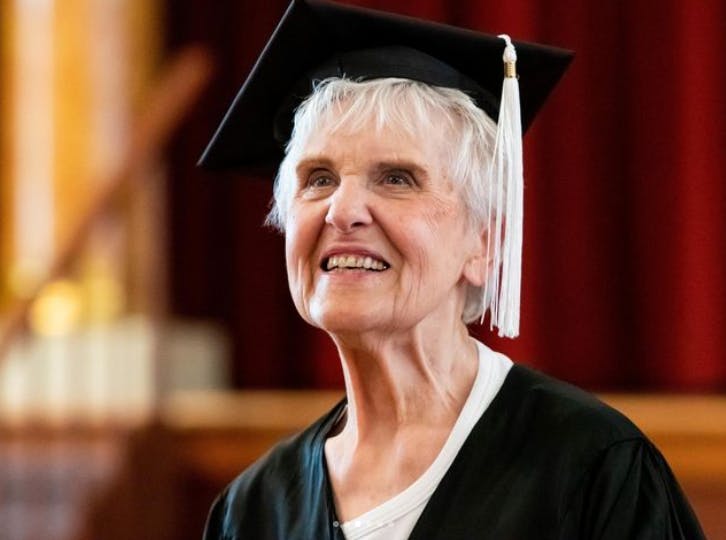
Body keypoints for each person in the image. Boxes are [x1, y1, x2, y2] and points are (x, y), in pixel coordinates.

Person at [199, 1, 705, 538]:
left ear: (484, 243)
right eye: (318, 178)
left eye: (396, 178)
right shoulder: (253, 512)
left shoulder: (590, 469)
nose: (342, 211)